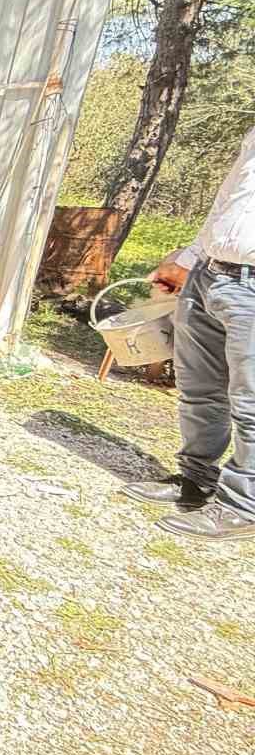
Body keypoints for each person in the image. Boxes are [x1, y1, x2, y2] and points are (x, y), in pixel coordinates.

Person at [120, 126, 255, 541]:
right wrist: (190, 258)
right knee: (200, 388)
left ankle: (242, 507)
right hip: (210, 273)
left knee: (250, 403)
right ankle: (196, 481)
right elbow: (230, 199)